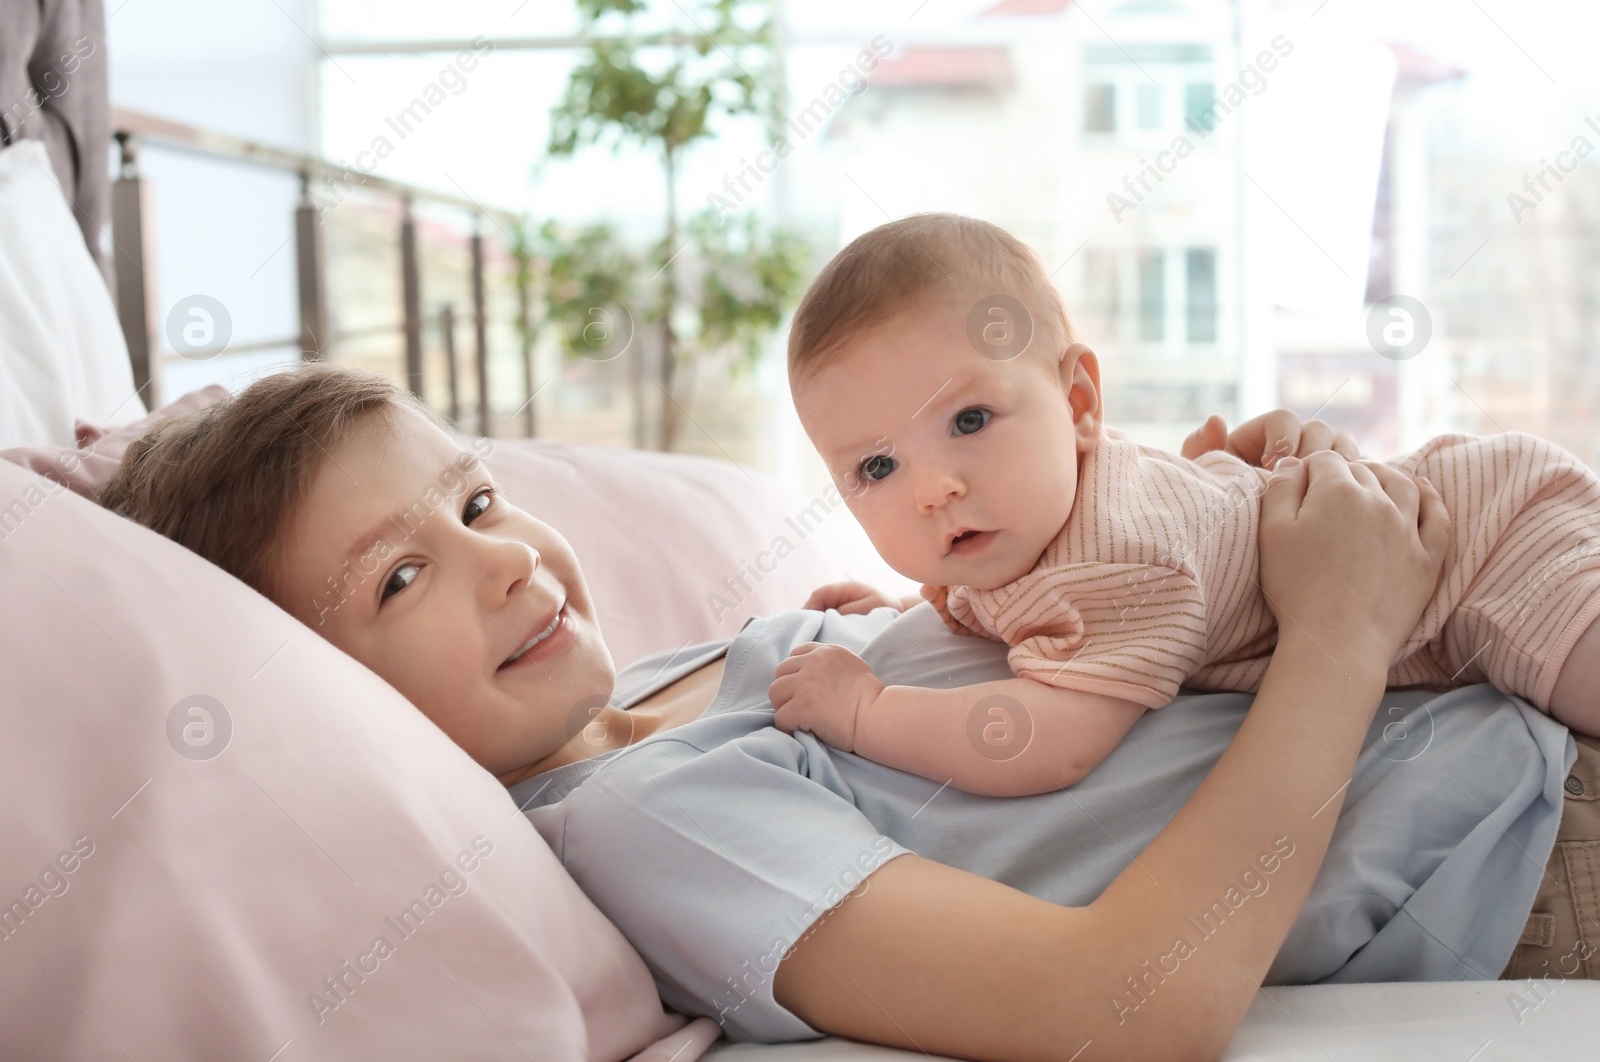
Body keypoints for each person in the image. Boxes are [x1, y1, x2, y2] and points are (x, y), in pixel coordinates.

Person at [96, 365, 1595, 1061]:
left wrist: (1173, 519)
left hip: (1471, 639)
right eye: (402, 573)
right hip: (1527, 826)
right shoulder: (637, 815)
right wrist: (1339, 618)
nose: (503, 560)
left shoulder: (671, 677)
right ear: (320, 692)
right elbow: (1123, 1006)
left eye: (476, 499)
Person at [776, 213, 1600, 797]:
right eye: (877, 465)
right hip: (1439, 521)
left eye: (969, 420)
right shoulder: (1014, 528)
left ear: (1076, 404)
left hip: (1490, 546)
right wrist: (900, 620)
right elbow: (1012, 613)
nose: (933, 488)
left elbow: (1047, 743)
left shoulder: (1113, 557)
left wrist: (869, 707)